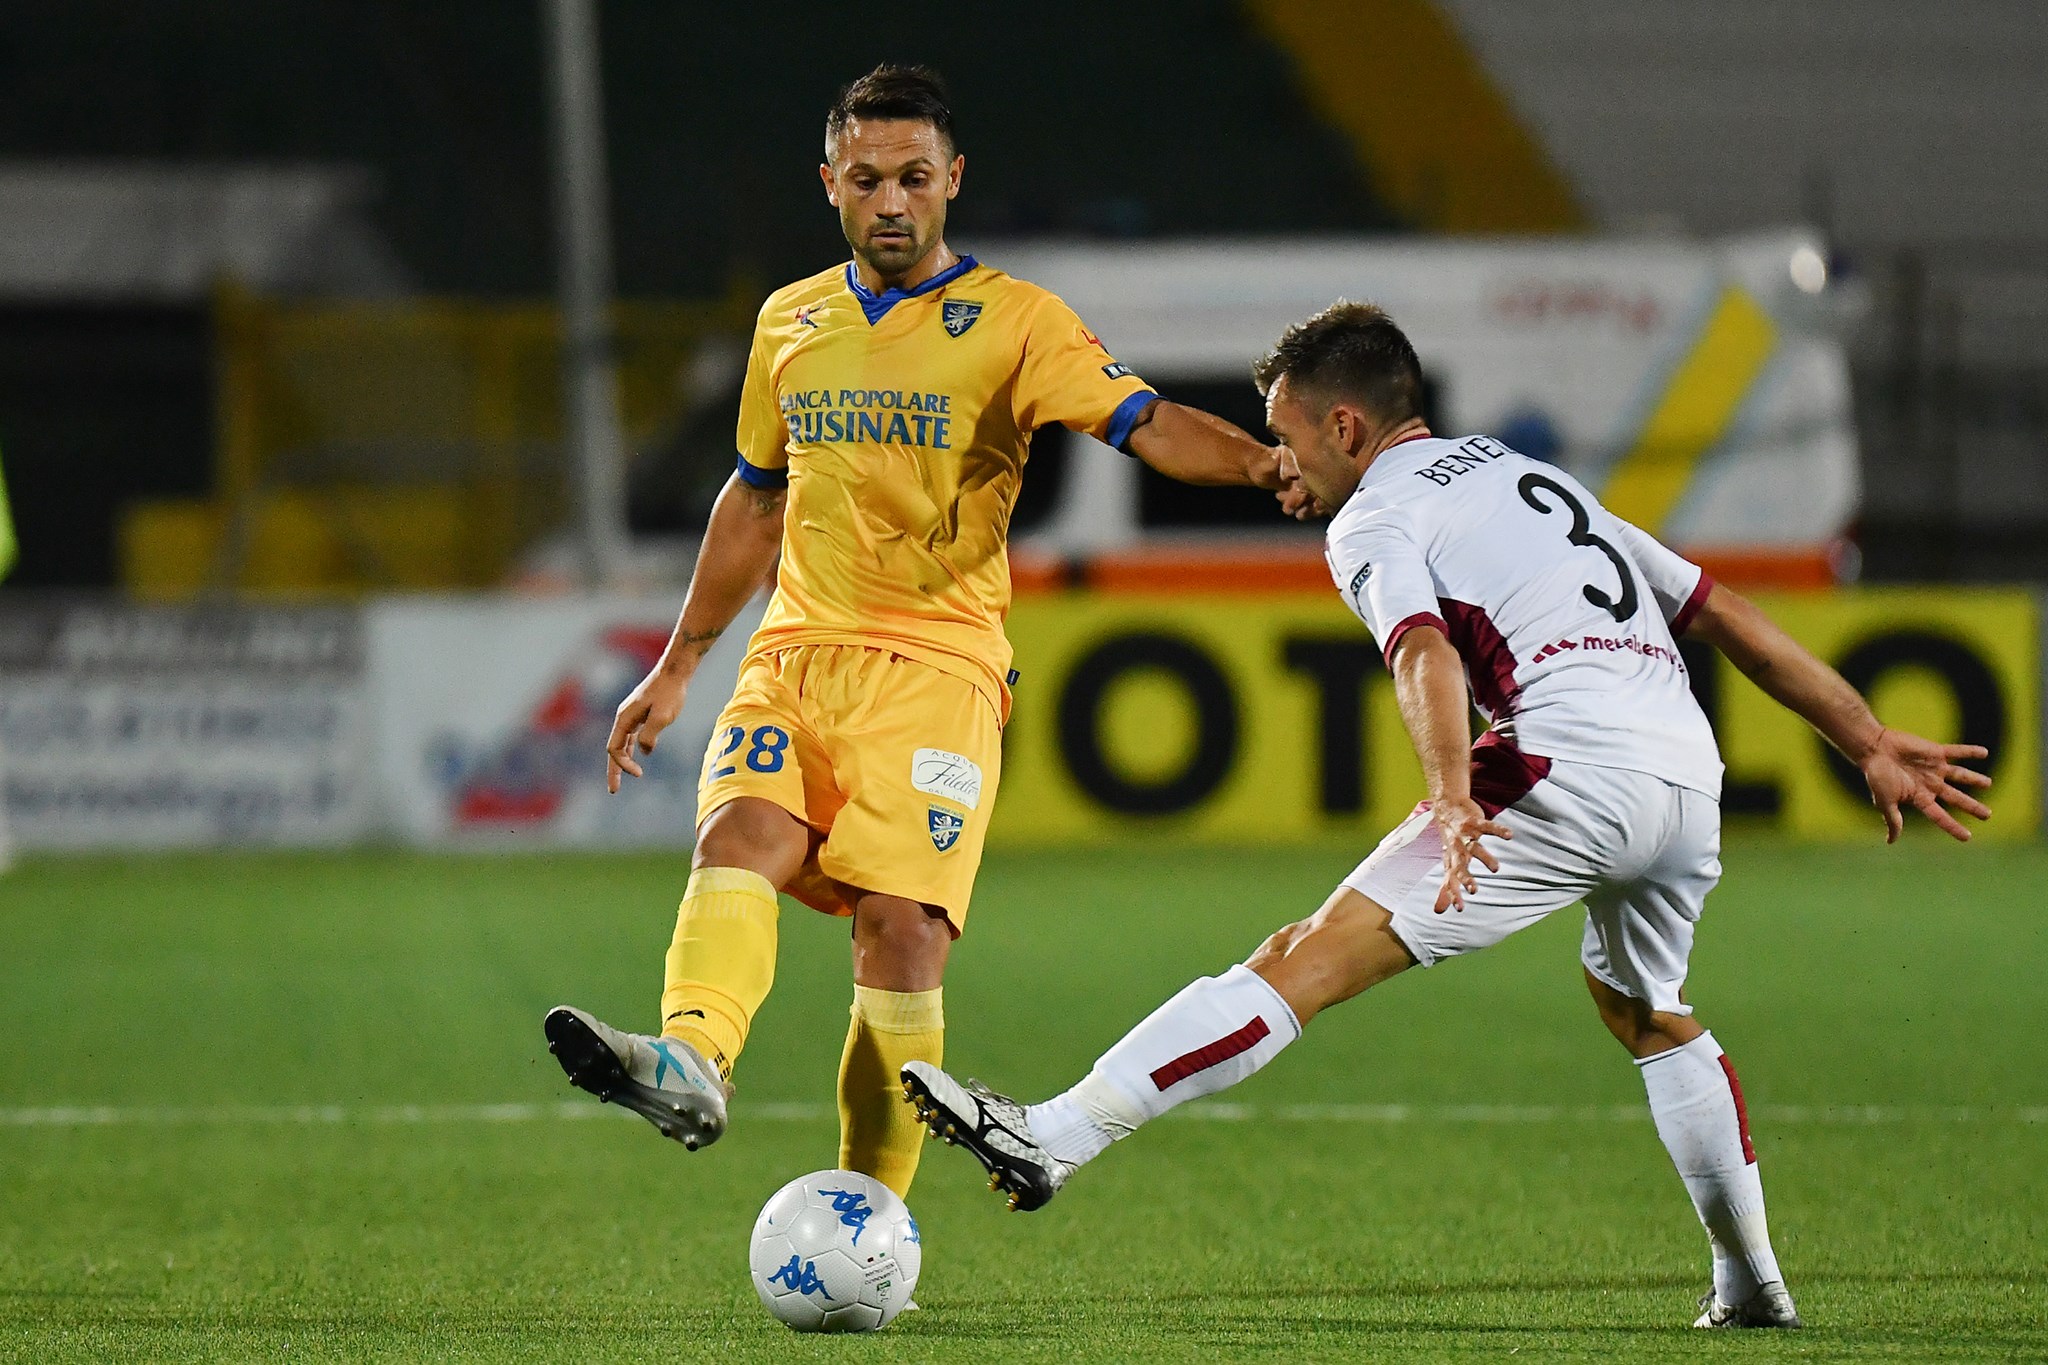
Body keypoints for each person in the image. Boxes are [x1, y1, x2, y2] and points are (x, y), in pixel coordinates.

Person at [901, 301, 1993, 1327]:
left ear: (1344, 423)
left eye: (1286, 439)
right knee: (1645, 1008)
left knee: (1302, 959)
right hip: (1682, 771)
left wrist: (1449, 793)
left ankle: (1055, 1137)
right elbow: (1722, 614)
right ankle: (1748, 1282)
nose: (1280, 463)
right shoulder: (1535, 480)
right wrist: (1865, 739)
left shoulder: (1376, 515)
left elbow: (1419, 648)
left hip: (1558, 765)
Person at [543, 65, 1285, 1200]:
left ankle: (866, 1215)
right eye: (867, 178)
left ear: (951, 182)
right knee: (737, 838)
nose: (891, 201)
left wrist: (1261, 464)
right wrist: (679, 660)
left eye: (913, 178)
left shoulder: (1019, 322)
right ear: (829, 183)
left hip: (936, 666)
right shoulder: (788, 319)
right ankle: (690, 1059)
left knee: (900, 932)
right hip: (793, 651)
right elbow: (752, 498)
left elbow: (1144, 423)